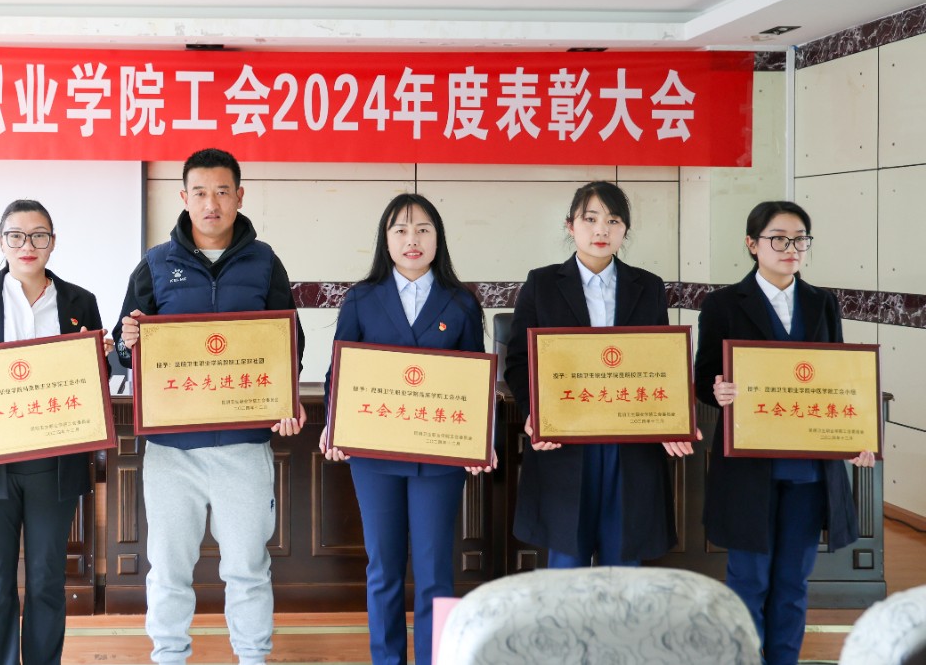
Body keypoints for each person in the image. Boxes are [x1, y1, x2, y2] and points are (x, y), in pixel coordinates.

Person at [114, 148, 305, 665]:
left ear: (239, 196)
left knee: (247, 567)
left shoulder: (264, 262)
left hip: (243, 446)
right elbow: (122, 348)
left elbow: (290, 341)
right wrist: (127, 340)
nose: (211, 203)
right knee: (168, 568)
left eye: (222, 192)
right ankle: (169, 655)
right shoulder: (156, 263)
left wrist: (286, 398)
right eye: (199, 192)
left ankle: (253, 656)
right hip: (172, 450)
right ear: (184, 197)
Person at [696, 200, 876, 665]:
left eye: (800, 239)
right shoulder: (722, 304)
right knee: (749, 579)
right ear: (752, 244)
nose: (790, 248)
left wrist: (856, 435)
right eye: (778, 238)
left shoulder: (822, 302)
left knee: (794, 581)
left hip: (808, 469)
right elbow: (702, 380)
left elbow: (840, 378)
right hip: (747, 468)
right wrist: (718, 389)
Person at [318, 193, 491, 665]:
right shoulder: (362, 298)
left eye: (423, 230)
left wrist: (483, 439)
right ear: (386, 239)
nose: (412, 239)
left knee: (436, 572)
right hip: (374, 457)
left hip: (439, 459)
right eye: (401, 230)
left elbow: (475, 379)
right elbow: (339, 372)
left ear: (438, 238)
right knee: (384, 570)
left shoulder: (460, 301)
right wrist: (333, 422)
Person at [0, 199, 107, 665]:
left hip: (54, 466)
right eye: (16, 235)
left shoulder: (80, 302)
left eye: (39, 235)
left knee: (47, 582)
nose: (27, 245)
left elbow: (94, 381)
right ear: (1, 242)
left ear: (53, 243)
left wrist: (101, 358)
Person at [505, 180, 695, 568]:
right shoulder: (542, 283)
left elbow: (662, 364)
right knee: (567, 567)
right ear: (570, 225)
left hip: (629, 443)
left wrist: (675, 419)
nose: (601, 230)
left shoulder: (647, 286)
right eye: (590, 219)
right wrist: (533, 412)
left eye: (613, 220)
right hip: (566, 441)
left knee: (621, 566)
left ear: (625, 229)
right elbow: (520, 360)